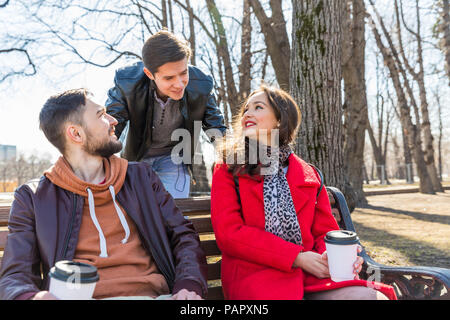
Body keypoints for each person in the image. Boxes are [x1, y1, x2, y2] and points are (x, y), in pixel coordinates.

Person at [0, 89, 207, 300]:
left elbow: (183, 235)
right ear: (76, 134)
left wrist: (188, 284)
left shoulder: (140, 178)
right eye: (101, 115)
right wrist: (32, 297)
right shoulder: (33, 197)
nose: (113, 120)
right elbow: (15, 275)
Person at [210, 85, 397, 300]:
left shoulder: (308, 174)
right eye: (246, 110)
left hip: (311, 276)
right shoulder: (229, 167)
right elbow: (229, 234)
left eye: (258, 107)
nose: (247, 114)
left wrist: (331, 256)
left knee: (369, 297)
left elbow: (324, 233)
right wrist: (296, 257)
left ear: (280, 120)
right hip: (256, 277)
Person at [106, 30, 227, 198]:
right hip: (138, 156)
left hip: (174, 158)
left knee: (173, 210)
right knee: (139, 210)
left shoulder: (202, 84)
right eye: (169, 78)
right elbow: (113, 122)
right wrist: (100, 152)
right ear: (150, 74)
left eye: (184, 73)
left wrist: (233, 156)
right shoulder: (127, 82)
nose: (179, 84)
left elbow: (217, 127)